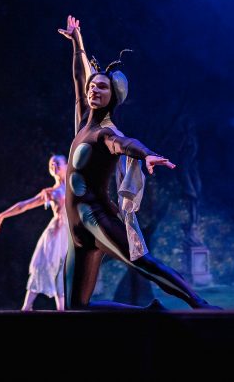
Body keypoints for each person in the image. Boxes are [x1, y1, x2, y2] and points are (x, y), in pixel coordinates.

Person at [58, 15, 217, 310]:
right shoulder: (83, 123)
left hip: (96, 218)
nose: (94, 89)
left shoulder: (106, 134)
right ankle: (148, 313)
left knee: (143, 263)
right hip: (76, 230)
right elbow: (79, 78)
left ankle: (200, 304)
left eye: (102, 87)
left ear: (113, 97)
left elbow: (125, 144)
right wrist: (77, 41)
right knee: (75, 310)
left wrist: (147, 155)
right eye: (93, 86)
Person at [0, 155, 69, 311]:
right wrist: (3, 215)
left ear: (67, 165)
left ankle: (61, 309)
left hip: (71, 232)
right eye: (51, 164)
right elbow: (25, 205)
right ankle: (27, 306)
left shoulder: (75, 185)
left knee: (63, 269)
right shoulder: (50, 192)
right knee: (45, 266)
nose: (54, 166)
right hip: (56, 232)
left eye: (57, 163)